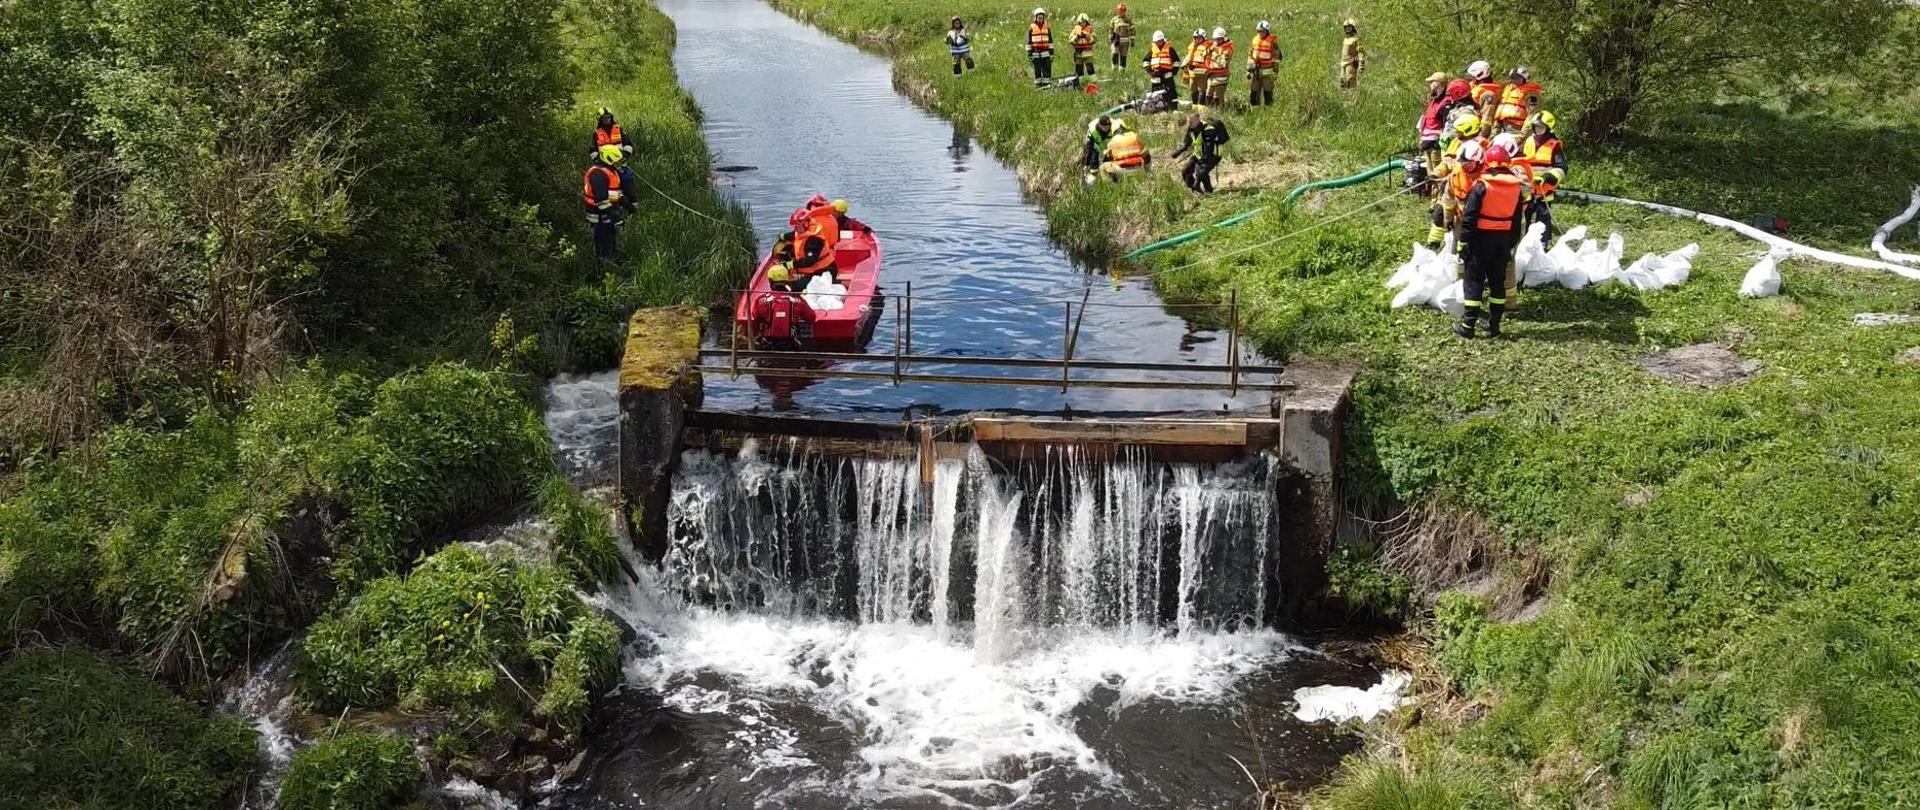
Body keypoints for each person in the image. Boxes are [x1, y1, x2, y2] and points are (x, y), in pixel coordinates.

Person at [1454, 145, 1527, 339]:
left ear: (1487, 162)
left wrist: (1463, 243)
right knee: (1497, 283)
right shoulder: (1516, 188)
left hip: (1480, 241)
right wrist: (1509, 245)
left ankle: (1468, 325)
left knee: (1474, 281)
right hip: (1502, 241)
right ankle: (1494, 325)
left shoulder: (1481, 186)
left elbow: (1469, 218)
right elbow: (1516, 220)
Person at [1425, 115, 1485, 247]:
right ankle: (1433, 243)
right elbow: (1447, 163)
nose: (1456, 134)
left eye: (1459, 131)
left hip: (1472, 195)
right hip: (1454, 189)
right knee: (1440, 214)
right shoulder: (1457, 143)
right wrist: (1436, 174)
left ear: (1468, 130)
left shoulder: (1481, 147)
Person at [1522, 111, 1567, 245]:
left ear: (1549, 128)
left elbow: (1561, 168)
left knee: (1543, 217)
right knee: (1525, 216)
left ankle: (1542, 244)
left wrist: (1547, 177)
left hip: (1545, 190)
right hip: (1528, 188)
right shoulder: (1529, 141)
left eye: (1541, 127)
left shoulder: (1554, 145)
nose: (1538, 129)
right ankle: (1522, 241)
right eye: (1536, 126)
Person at [582, 145, 633, 261]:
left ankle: (611, 260)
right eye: (616, 162)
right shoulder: (598, 175)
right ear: (608, 159)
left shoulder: (609, 171)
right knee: (603, 244)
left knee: (610, 241)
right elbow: (602, 201)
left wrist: (627, 205)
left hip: (607, 215)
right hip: (598, 217)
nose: (619, 165)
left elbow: (612, 193)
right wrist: (615, 217)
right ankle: (603, 265)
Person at [1170, 111, 1230, 193]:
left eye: (1191, 121)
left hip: (1213, 154)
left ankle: (1208, 191)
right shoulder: (1191, 129)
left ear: (1198, 120)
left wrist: (1197, 180)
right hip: (1199, 154)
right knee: (1186, 171)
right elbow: (1187, 144)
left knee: (1201, 172)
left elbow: (1208, 150)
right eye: (1188, 121)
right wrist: (1177, 153)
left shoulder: (1208, 130)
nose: (1189, 123)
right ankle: (1194, 190)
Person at [789, 202, 840, 279]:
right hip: (811, 270)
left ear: (806, 224)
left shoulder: (815, 239)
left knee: (795, 285)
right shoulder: (804, 231)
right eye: (795, 227)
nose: (796, 229)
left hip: (824, 272)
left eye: (797, 227)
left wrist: (790, 264)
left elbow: (810, 261)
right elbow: (794, 235)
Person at [1494, 65, 1542, 134]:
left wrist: (1523, 133)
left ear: (1525, 79)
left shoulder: (1531, 94)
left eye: (1517, 78)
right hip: (1500, 127)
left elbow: (1532, 115)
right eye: (1512, 77)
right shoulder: (1508, 90)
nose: (1514, 80)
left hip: (1516, 129)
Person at [1246, 21, 1281, 107]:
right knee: (1254, 94)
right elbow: (1250, 54)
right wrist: (1249, 69)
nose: (1260, 33)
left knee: (1268, 94)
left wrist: (1275, 71)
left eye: (1262, 31)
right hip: (1256, 72)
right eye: (1258, 31)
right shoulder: (1255, 40)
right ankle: (1255, 111)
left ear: (1267, 31)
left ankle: (1268, 111)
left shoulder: (1272, 42)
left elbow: (1278, 57)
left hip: (1268, 72)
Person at [1143, 30, 1180, 102]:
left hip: (1167, 75)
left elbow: (1176, 62)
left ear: (1162, 40)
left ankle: (1172, 106)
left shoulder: (1169, 49)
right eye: (1156, 42)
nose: (1157, 43)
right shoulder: (1153, 50)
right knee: (1155, 94)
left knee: (1171, 92)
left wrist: (1173, 72)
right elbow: (1145, 62)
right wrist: (1150, 72)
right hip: (1156, 76)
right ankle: (1158, 106)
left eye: (1159, 41)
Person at [1466, 60, 1502, 130]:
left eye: (1473, 77)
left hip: (1477, 128)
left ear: (1480, 75)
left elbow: (1487, 118)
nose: (1472, 79)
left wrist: (1483, 132)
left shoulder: (1489, 95)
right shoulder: (1475, 87)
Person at [1206, 27, 1234, 106]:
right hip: (1211, 75)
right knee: (1208, 95)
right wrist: (1209, 50)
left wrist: (1214, 57)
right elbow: (1204, 56)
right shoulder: (1213, 47)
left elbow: (1223, 64)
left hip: (1221, 76)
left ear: (1224, 39)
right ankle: (1209, 111)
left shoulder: (1227, 50)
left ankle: (1219, 111)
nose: (1216, 41)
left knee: (1217, 97)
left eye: (1219, 39)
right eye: (1215, 39)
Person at [1184, 29, 1212, 105]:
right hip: (1192, 73)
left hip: (1202, 73)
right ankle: (1194, 105)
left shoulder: (1208, 46)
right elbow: (1188, 57)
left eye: (1199, 38)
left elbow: (1209, 60)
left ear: (1203, 38)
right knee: (1193, 90)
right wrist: (1185, 65)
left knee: (1202, 90)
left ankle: (1201, 107)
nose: (1197, 39)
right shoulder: (1192, 47)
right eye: (1195, 38)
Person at [1028, 9, 1055, 87]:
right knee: (1037, 70)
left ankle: (1047, 85)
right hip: (1035, 53)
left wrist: (1052, 54)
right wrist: (1029, 55)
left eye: (1041, 17)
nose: (1040, 19)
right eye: (1039, 17)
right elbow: (1028, 43)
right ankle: (1038, 85)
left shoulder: (1047, 28)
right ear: (1035, 18)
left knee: (1047, 69)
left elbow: (1050, 42)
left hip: (1046, 53)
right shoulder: (1031, 28)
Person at [1338, 19, 1366, 89]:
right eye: (1346, 27)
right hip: (1343, 64)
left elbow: (1361, 52)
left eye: (1349, 27)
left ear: (1353, 28)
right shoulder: (1345, 39)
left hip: (1351, 64)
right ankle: (1345, 95)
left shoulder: (1356, 40)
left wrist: (1361, 64)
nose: (1347, 29)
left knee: (1351, 82)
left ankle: (1353, 95)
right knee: (1343, 82)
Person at [1109, 5, 1135, 69]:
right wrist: (1110, 38)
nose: (1120, 13)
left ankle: (1122, 71)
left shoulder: (1128, 20)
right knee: (1114, 55)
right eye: (1119, 11)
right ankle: (1114, 70)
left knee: (1123, 57)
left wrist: (1132, 41)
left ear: (1125, 11)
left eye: (1122, 11)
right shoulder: (1114, 20)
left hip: (1125, 42)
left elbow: (1132, 30)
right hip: (1116, 40)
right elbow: (1111, 29)